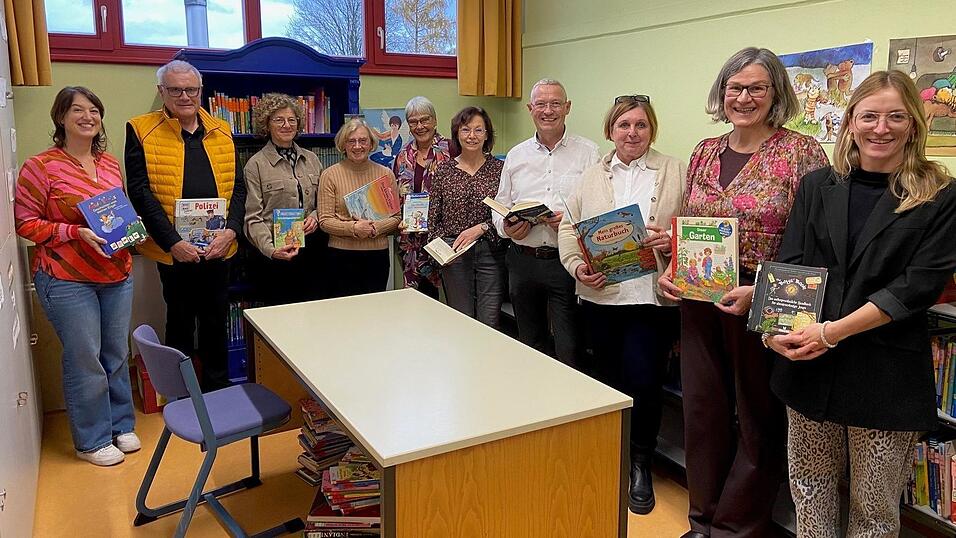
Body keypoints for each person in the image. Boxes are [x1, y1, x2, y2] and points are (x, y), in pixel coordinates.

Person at [769, 70, 956, 537]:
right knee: (809, 492)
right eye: (869, 115)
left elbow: (917, 286)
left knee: (873, 509)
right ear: (850, 121)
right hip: (808, 370)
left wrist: (831, 332)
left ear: (913, 123)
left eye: (895, 116)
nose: (881, 128)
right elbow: (792, 264)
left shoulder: (940, 194)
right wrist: (775, 330)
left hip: (883, 374)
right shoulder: (817, 185)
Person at [657, 47, 829, 538]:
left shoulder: (802, 153)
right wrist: (672, 268)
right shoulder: (704, 150)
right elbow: (689, 224)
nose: (744, 97)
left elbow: (814, 241)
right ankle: (703, 518)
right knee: (703, 409)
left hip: (769, 297)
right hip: (701, 294)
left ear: (776, 93)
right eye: (735, 87)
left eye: (757, 87)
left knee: (759, 415)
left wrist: (760, 290)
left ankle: (737, 527)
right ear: (722, 92)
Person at [558, 95, 685, 514]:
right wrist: (577, 267)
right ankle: (609, 454)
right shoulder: (590, 176)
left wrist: (672, 240)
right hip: (602, 298)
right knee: (608, 380)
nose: (633, 133)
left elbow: (695, 227)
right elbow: (568, 229)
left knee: (645, 381)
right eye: (624, 125)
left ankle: (640, 464)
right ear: (610, 130)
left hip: (651, 298)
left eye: (641, 125)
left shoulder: (675, 171)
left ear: (652, 129)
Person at [14, 87, 139, 466]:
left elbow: (117, 213)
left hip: (116, 272)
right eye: (77, 110)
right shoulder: (41, 166)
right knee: (86, 357)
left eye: (94, 110)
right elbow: (24, 223)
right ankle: (93, 439)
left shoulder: (110, 164)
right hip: (67, 278)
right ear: (61, 118)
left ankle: (121, 425)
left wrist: (131, 229)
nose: (88, 116)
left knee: (116, 353)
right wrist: (73, 232)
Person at [126, 60, 246, 392]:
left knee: (215, 322)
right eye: (175, 89)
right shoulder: (140, 129)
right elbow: (138, 190)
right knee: (179, 322)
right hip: (173, 252)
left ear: (200, 91)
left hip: (219, 248)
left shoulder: (222, 129)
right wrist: (172, 242)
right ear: (161, 91)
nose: (184, 96)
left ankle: (217, 393)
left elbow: (238, 187)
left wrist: (232, 231)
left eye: (191, 89)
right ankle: (180, 395)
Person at [493, 78, 600, 368]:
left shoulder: (589, 153)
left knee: (569, 345)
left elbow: (599, 206)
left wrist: (571, 222)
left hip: (565, 261)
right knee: (530, 342)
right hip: (522, 260)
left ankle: (573, 408)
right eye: (541, 104)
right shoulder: (516, 155)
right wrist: (506, 226)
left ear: (567, 107)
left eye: (555, 104)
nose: (548, 110)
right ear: (530, 108)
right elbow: (501, 204)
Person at [243, 93, 326, 305]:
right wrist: (271, 250)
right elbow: (253, 218)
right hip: (275, 257)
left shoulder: (312, 159)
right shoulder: (256, 165)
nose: (286, 125)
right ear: (266, 124)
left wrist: (316, 217)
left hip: (312, 252)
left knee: (312, 314)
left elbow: (325, 203)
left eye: (292, 120)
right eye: (279, 120)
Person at [428, 106, 506, 328]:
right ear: (457, 134)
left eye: (478, 130)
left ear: (487, 134)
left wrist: (483, 227)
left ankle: (487, 362)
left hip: (491, 251)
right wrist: (443, 252)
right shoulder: (443, 171)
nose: (472, 136)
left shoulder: (500, 170)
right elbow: (433, 219)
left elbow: (507, 215)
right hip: (454, 254)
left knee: (489, 321)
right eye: (466, 130)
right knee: (460, 321)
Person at [318, 118, 400, 297]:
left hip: (377, 256)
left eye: (363, 141)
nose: (357, 146)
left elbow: (396, 217)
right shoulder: (329, 175)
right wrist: (353, 228)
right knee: (344, 314)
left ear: (371, 144)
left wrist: (374, 228)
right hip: (340, 256)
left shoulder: (386, 174)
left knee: (374, 313)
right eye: (351, 141)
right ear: (343, 145)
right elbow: (324, 221)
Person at [393, 96, 454, 299]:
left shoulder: (452, 150)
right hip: (411, 241)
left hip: (444, 239)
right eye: (413, 121)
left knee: (448, 299)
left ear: (435, 120)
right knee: (415, 301)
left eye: (425, 119)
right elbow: (396, 197)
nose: (420, 126)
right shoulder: (402, 156)